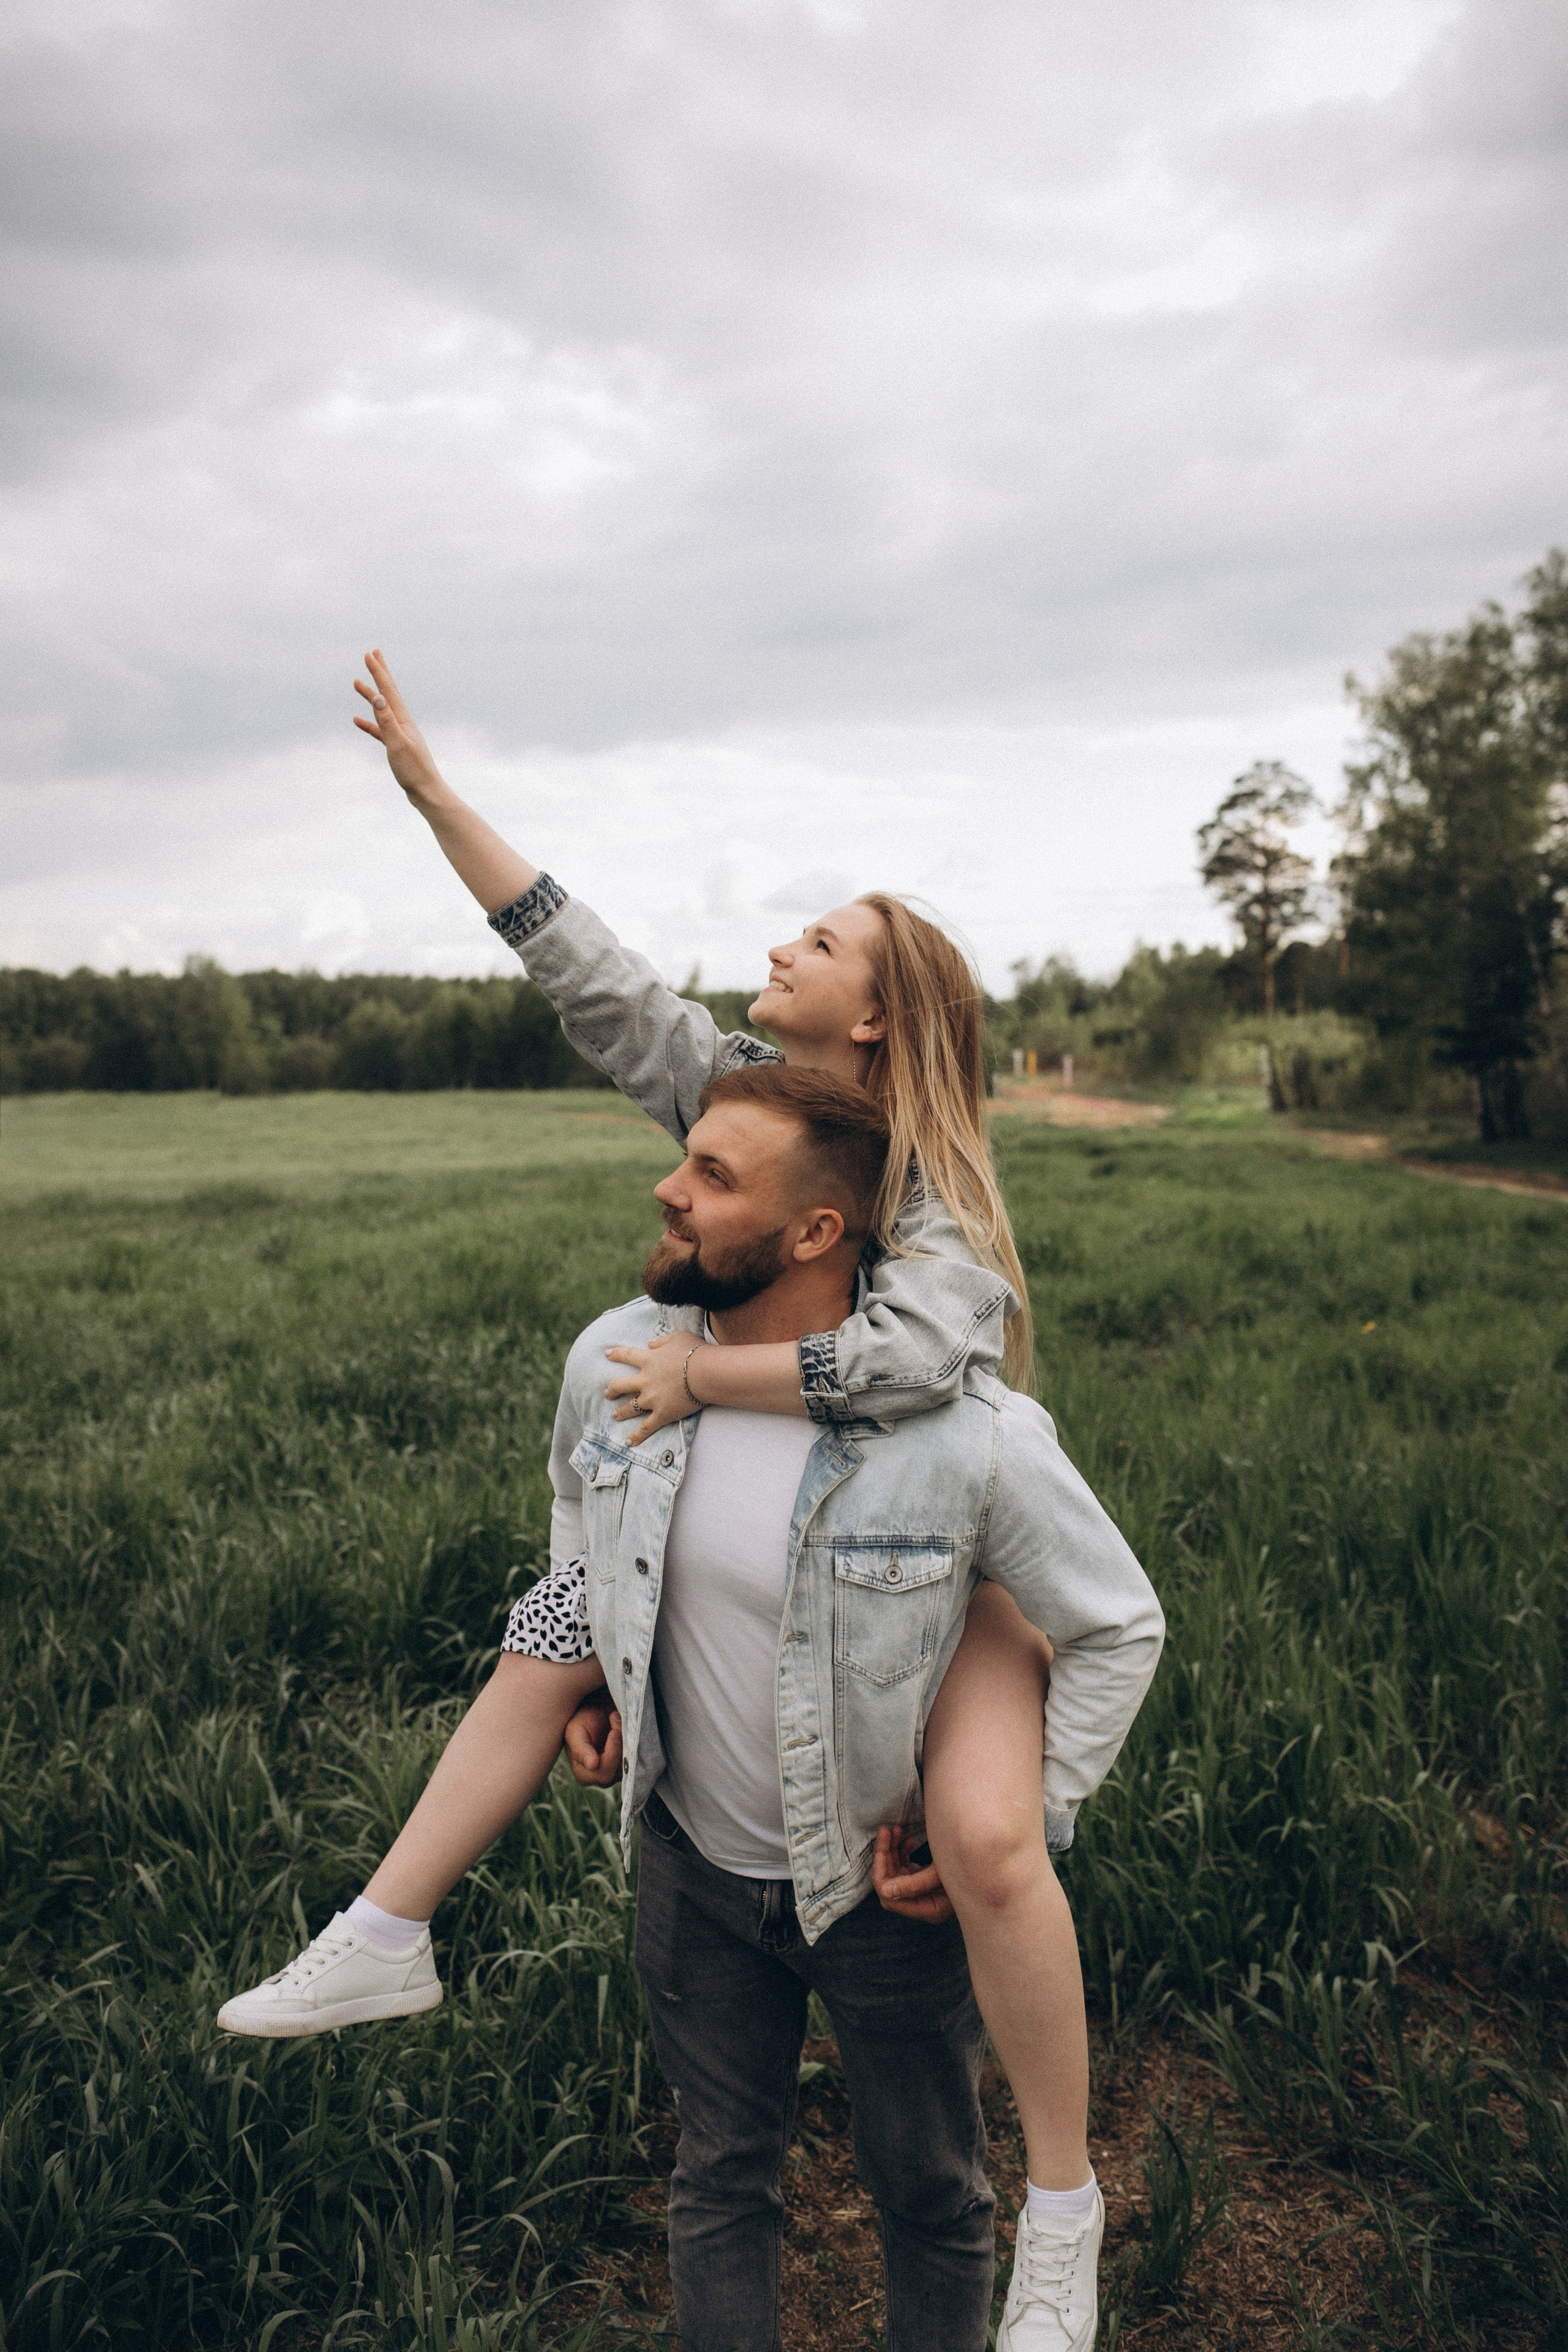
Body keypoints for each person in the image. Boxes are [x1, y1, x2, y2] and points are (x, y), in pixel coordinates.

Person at [216, 651, 1162, 2345]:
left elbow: (940, 1358)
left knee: (991, 1848)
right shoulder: (738, 1129)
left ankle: (1066, 2208)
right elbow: (599, 986)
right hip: (707, 1805)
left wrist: (714, 1374)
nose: (779, 948)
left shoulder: (923, 1208)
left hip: (942, 1579)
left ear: (871, 1029)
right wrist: (437, 797)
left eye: (819, 941)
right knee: (561, 1623)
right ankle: (388, 1914)